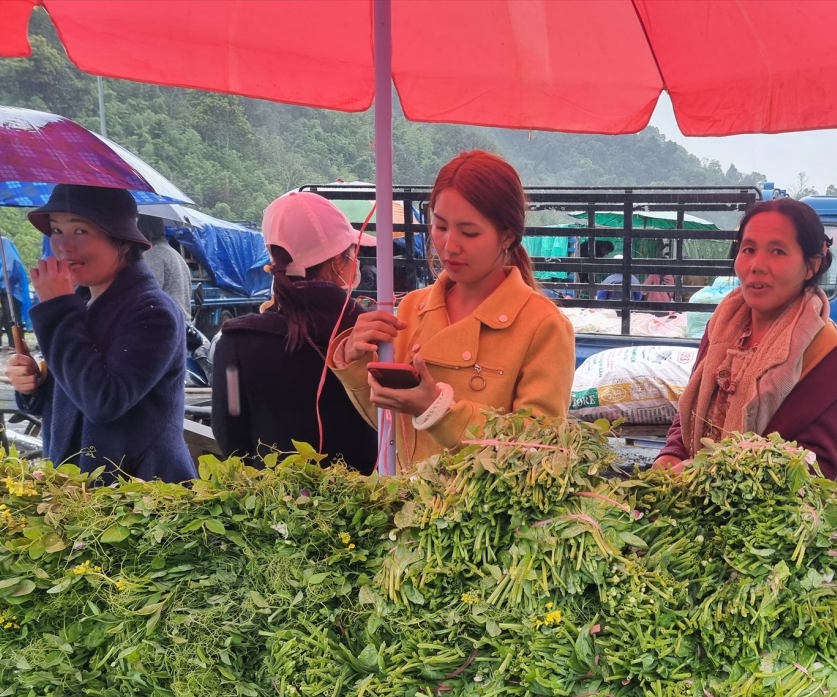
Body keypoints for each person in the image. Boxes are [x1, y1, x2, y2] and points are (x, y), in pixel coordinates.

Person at [328, 150, 575, 472]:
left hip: (483, 518)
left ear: (507, 235)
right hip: (401, 510)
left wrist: (439, 410)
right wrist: (356, 359)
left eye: (469, 232)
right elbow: (387, 427)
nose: (449, 245)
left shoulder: (543, 325)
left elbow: (538, 452)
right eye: (440, 226)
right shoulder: (412, 308)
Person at [654, 199, 837, 480]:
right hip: (685, 505)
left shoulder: (836, 359)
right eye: (748, 250)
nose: (757, 265)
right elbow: (692, 409)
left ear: (811, 266)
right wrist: (672, 453)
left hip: (763, 520)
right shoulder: (720, 329)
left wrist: (711, 475)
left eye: (778, 251)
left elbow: (817, 470)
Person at [3, 184, 194, 483]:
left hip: (143, 498)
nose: (63, 245)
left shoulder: (154, 311)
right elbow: (69, 399)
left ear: (122, 241)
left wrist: (57, 309)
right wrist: (32, 386)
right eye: (55, 230)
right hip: (79, 493)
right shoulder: (80, 304)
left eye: (80, 231)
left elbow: (103, 401)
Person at [211, 191, 377, 472]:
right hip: (370, 508)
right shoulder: (371, 337)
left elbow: (231, 436)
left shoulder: (237, 342)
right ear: (338, 261)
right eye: (352, 250)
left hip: (271, 507)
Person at [139, 215, 193, 319]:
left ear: (145, 231)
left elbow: (147, 292)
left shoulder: (153, 254)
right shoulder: (175, 254)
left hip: (164, 323)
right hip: (181, 322)